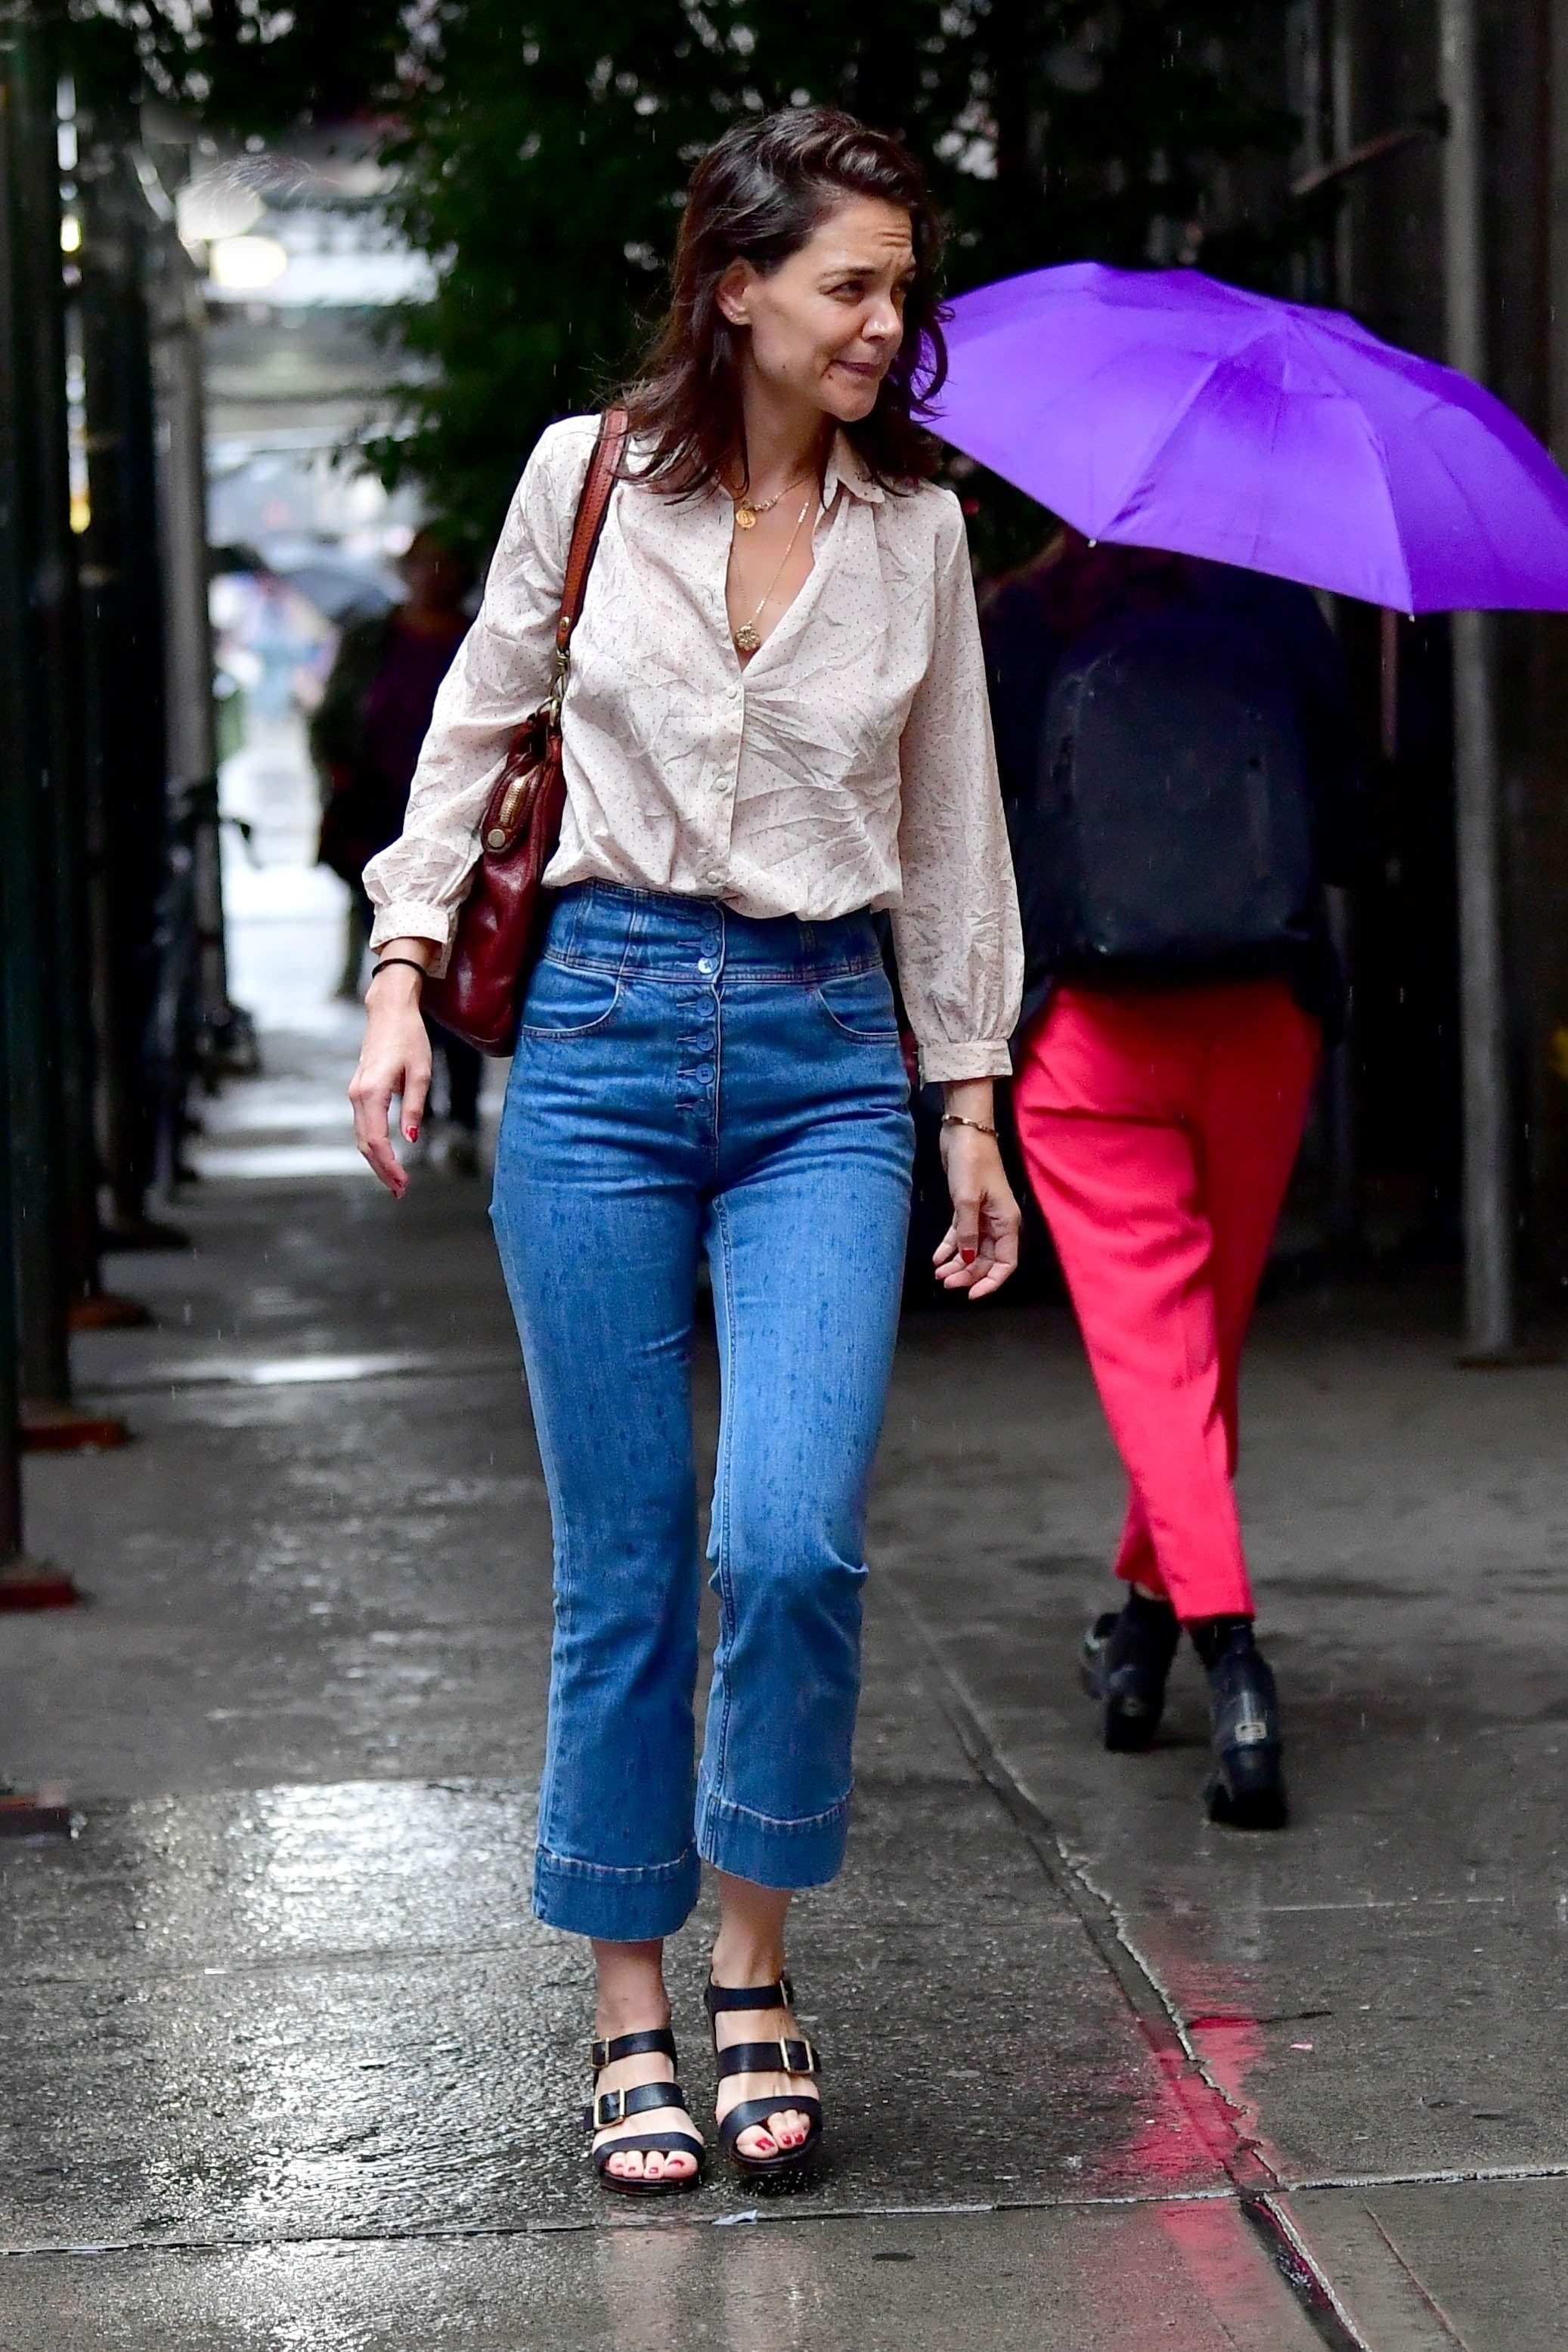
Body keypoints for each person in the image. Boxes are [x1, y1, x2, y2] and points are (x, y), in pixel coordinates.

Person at [349, 108, 1024, 2194]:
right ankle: (633, 2001)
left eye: (898, 288)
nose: (884, 322)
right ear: (736, 286)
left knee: (791, 1537)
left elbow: (947, 827)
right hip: (602, 1042)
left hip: (827, 1057)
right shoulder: (585, 480)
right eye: (852, 284)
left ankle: (759, 1959)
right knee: (629, 1554)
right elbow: (473, 727)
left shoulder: (915, 532)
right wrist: (397, 962)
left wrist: (968, 1095)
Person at [987, 529, 1362, 1832]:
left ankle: (1230, 1663)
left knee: (1161, 1365)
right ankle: (1138, 1635)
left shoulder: (1021, 622)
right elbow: (1354, 830)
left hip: (1088, 1036)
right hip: (1256, 1024)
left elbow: (961, 842)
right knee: (1196, 1361)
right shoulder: (1277, 609)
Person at [313, 531, 486, 1173]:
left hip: (466, 825)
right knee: (396, 964)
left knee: (458, 970)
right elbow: (335, 719)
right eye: (424, 561)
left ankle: (458, 1109)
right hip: (382, 820)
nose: (435, 574)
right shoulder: (372, 641)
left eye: (448, 561)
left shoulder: (479, 637)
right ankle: (425, 1103)